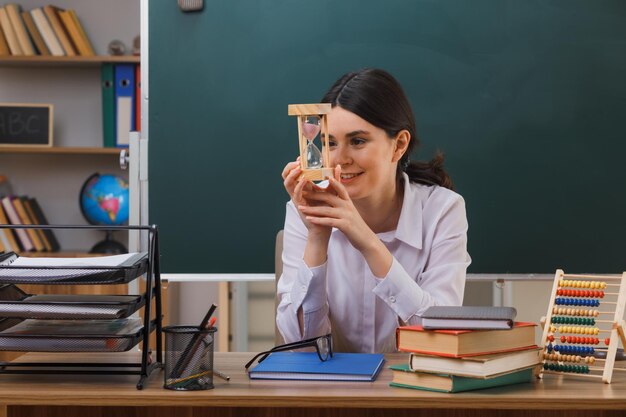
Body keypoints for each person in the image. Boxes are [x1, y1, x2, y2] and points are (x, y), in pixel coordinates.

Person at [277, 68, 471, 353]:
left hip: (412, 390)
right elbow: (300, 348)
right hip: (331, 392)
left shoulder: (443, 210)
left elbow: (439, 336)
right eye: (330, 143)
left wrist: (367, 242)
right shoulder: (304, 210)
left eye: (357, 141)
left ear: (399, 145)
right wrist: (317, 237)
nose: (340, 160)